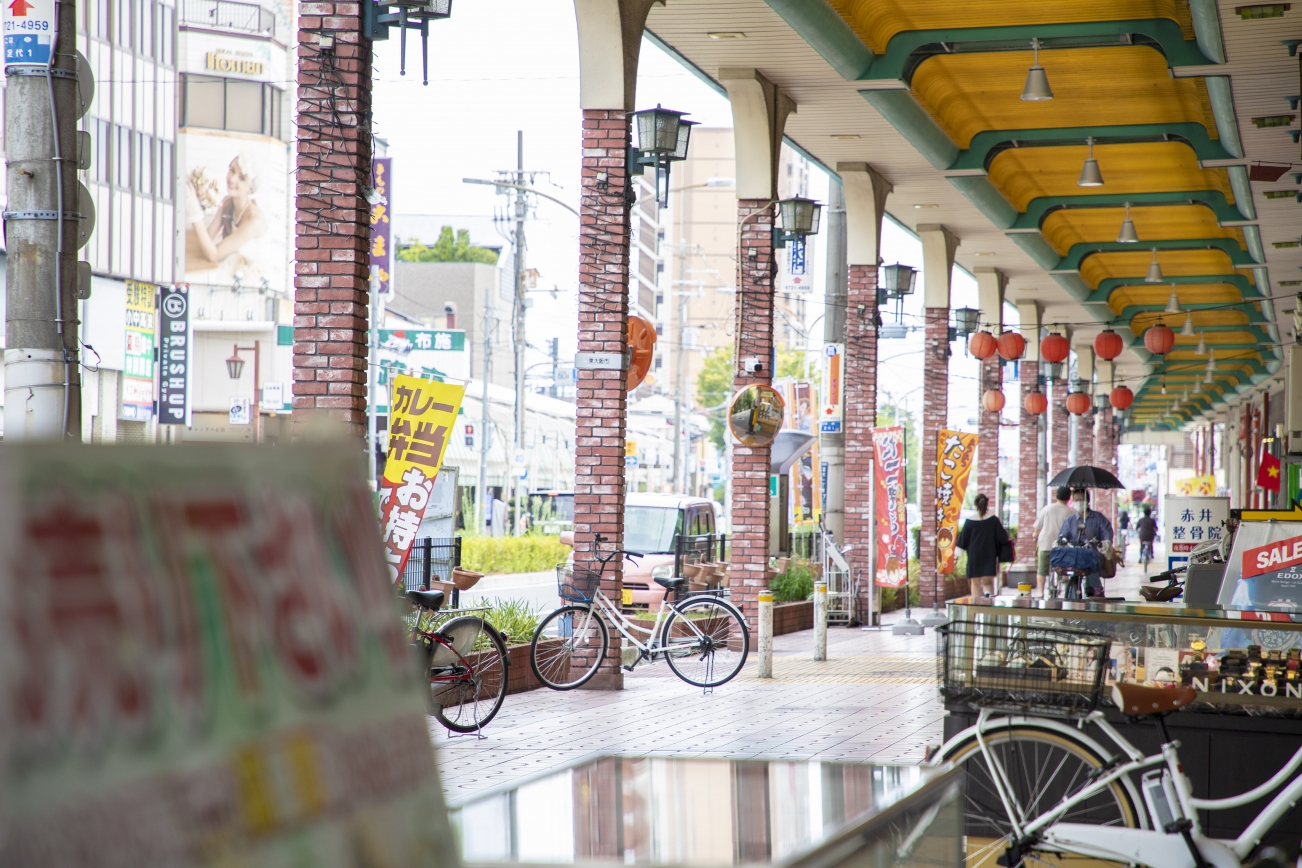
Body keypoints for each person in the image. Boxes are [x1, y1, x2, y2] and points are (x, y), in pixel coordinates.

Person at [1058, 489, 1114, 595]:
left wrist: (1105, 543)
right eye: (1076, 499)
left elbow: (1107, 533)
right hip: (1075, 554)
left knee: (1092, 567)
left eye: (1081, 499)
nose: (1079, 501)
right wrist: (1061, 541)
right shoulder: (1069, 520)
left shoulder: (1098, 518)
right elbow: (1062, 536)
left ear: (1087, 501)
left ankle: (1094, 592)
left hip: (1093, 554)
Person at [956, 493, 1011, 598]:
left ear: (975, 505)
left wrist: (957, 557)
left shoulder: (969, 522)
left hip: (974, 557)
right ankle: (987, 602)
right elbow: (1003, 538)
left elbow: (962, 541)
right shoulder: (994, 520)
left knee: (975, 583)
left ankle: (977, 607)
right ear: (987, 505)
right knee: (987, 583)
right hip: (989, 555)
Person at [1031, 486, 1076, 596]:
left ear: (1056, 496)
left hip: (1046, 544)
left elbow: (1037, 528)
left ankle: (1041, 592)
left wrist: (1035, 535)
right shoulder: (1070, 513)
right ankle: (1065, 583)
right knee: (1064, 567)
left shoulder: (1047, 508)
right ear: (1069, 498)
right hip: (1062, 548)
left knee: (1041, 570)